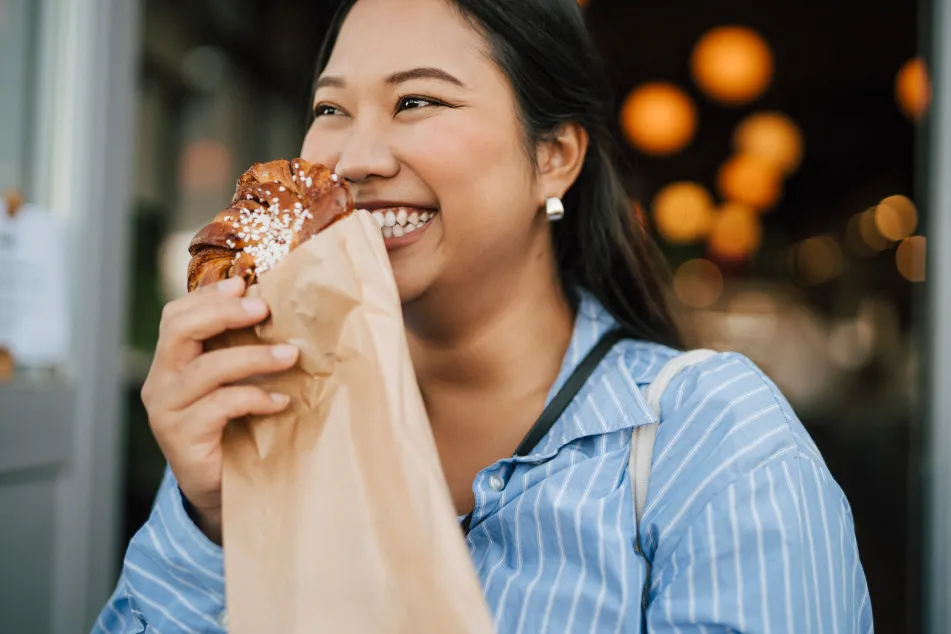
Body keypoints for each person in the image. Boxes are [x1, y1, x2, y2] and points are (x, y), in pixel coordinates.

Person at [95, 0, 873, 631]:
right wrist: (213, 523)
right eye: (330, 107)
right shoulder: (272, 407)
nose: (355, 157)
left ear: (554, 156)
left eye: (417, 100)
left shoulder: (712, 443)